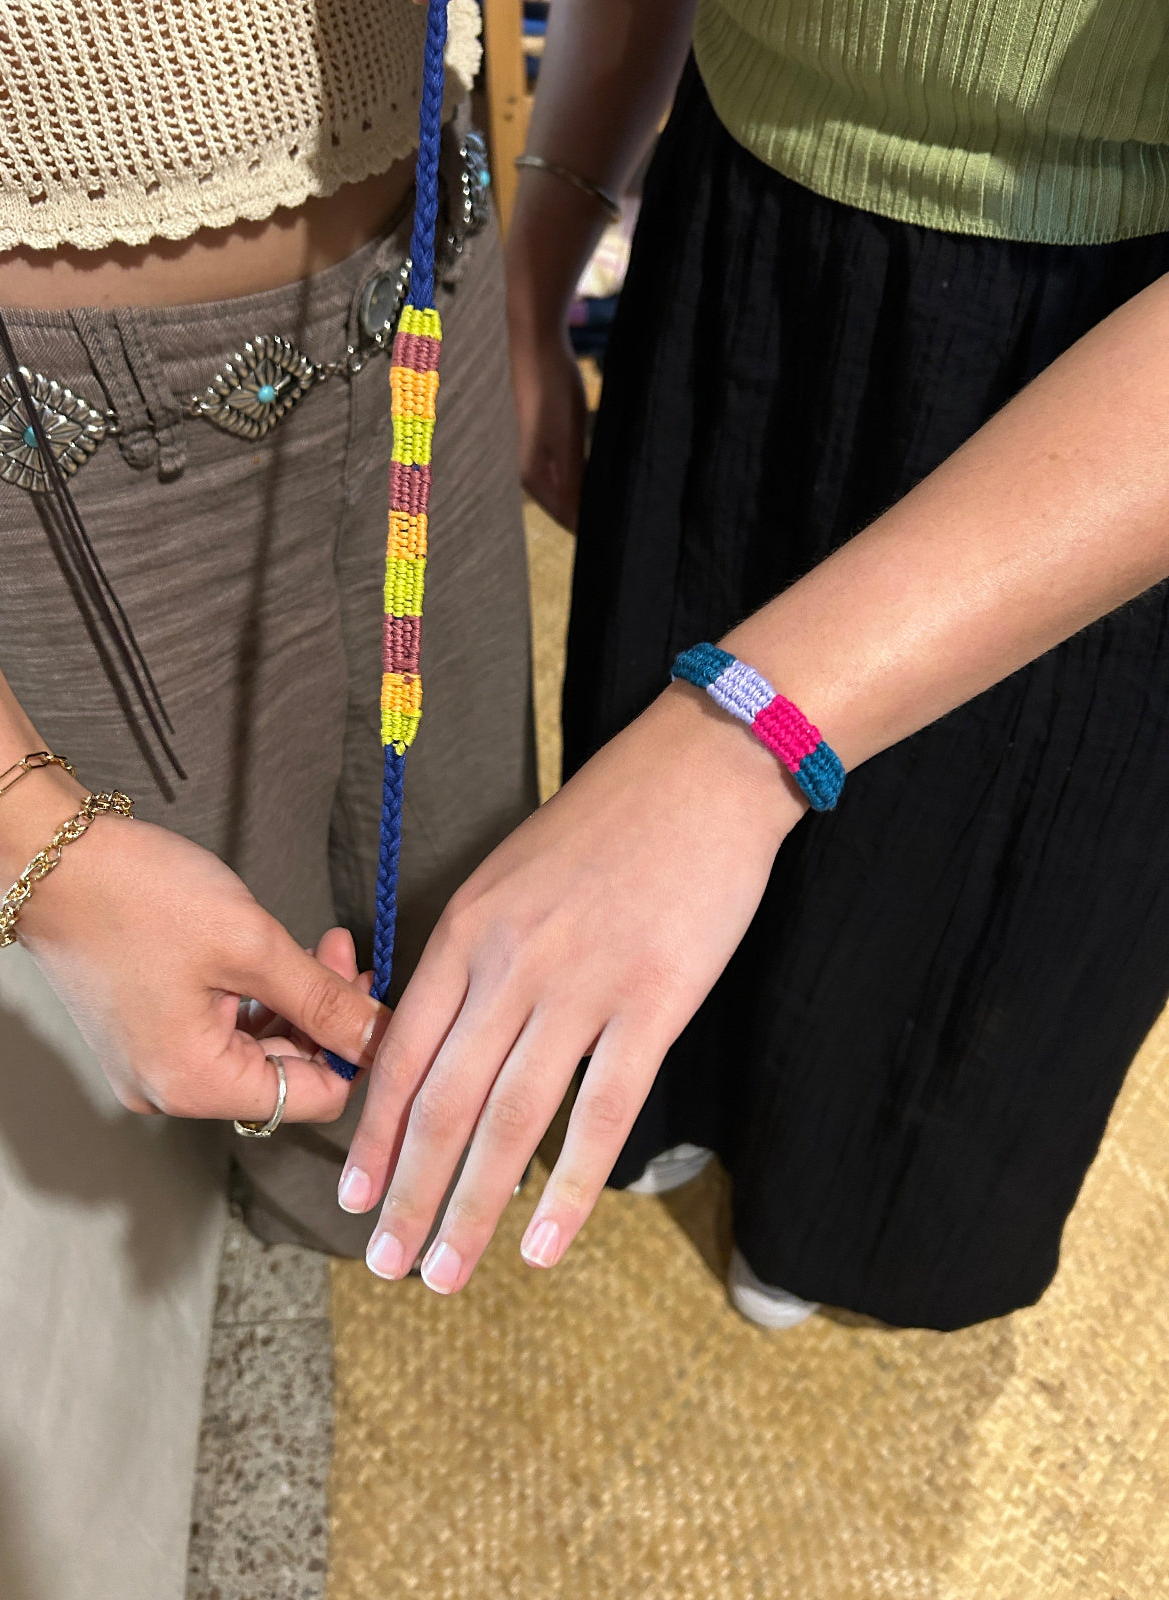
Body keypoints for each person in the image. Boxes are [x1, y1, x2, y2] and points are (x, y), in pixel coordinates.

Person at [337, 0, 1169, 1333]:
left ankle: (836, 1219)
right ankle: (690, 1106)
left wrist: (746, 729)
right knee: (659, 870)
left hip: (1103, 386)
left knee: (961, 913)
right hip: (733, 243)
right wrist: (545, 240)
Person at [0, 1, 535, 1590]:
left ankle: (404, 1186)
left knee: (464, 833)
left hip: (430, 235)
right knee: (253, 977)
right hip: (66, 415)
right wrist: (32, 836)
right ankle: (336, 1210)